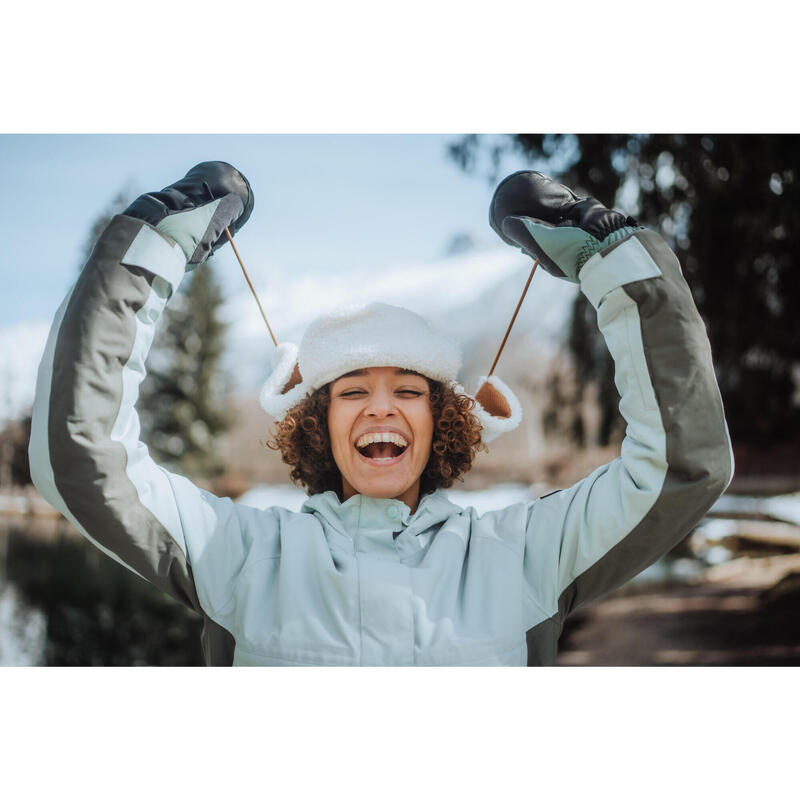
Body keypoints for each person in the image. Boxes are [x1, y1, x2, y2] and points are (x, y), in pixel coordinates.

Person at [29, 161, 733, 666]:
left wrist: (610, 261)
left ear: (444, 419)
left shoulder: (525, 556)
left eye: (409, 389)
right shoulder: (237, 557)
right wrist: (151, 249)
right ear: (318, 423)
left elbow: (681, 466)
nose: (381, 409)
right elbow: (82, 456)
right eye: (352, 389)